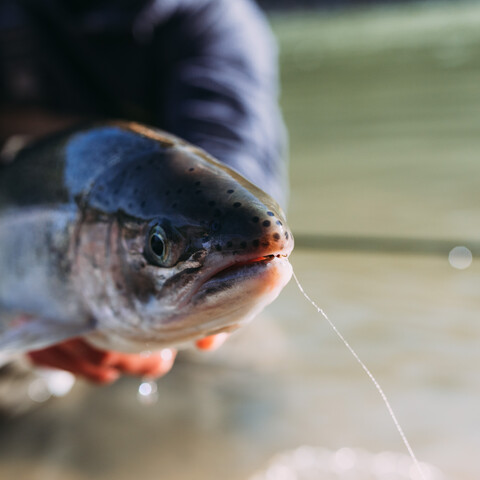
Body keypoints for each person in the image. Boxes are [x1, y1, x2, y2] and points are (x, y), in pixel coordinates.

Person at [0, 0, 287, 384]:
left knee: (256, 373)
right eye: (159, 245)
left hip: (182, 282)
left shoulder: (213, 18)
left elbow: (234, 167)